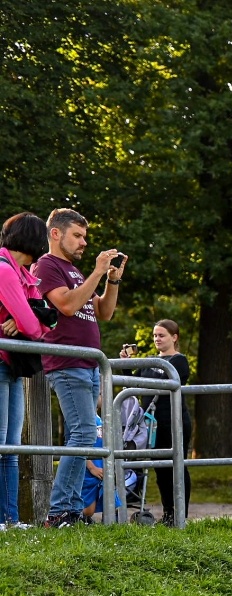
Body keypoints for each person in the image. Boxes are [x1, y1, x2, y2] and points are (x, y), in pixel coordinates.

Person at [36, 208, 124, 528]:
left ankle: (71, 510)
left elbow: (104, 311)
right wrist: (98, 273)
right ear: (56, 234)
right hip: (67, 362)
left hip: (88, 364)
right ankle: (59, 510)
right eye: (77, 235)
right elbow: (68, 305)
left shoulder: (74, 271)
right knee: (85, 434)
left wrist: (111, 280)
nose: (84, 242)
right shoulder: (47, 265)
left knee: (81, 435)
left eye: (85, 236)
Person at [0, 212, 52, 529]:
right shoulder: (4, 271)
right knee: (2, 444)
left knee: (13, 447)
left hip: (12, 365)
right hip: (2, 362)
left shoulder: (23, 275)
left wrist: (24, 322)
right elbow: (32, 325)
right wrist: (24, 322)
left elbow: (43, 324)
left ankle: (10, 518)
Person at [136, 319, 193, 524]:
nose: (157, 339)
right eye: (154, 335)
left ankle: (180, 514)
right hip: (152, 425)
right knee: (160, 468)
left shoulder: (179, 360)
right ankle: (168, 512)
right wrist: (127, 361)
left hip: (174, 422)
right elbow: (133, 381)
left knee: (177, 466)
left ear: (174, 337)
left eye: (161, 335)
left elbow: (177, 379)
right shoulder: (150, 361)